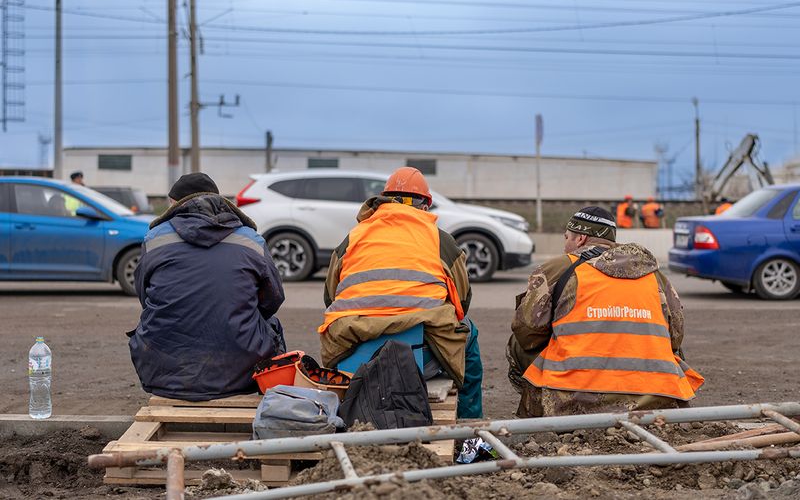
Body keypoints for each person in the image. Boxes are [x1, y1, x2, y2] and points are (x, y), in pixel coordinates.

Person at [506, 206, 703, 417]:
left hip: (572, 401)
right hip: (657, 398)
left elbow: (527, 333)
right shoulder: (655, 276)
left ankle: (537, 414)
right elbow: (675, 337)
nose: (565, 246)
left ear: (580, 238)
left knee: (517, 344)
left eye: (567, 238)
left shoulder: (557, 268)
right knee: (670, 349)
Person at [319, 167, 483, 418]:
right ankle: (471, 432)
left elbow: (330, 298)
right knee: (468, 332)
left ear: (381, 202)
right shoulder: (440, 240)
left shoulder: (353, 238)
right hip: (419, 356)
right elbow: (462, 301)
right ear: (425, 206)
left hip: (352, 353)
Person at [128, 172, 286, 401]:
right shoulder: (251, 239)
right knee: (270, 324)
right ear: (220, 202)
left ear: (174, 204)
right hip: (243, 378)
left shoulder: (154, 238)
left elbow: (145, 297)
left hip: (163, 377)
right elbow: (273, 300)